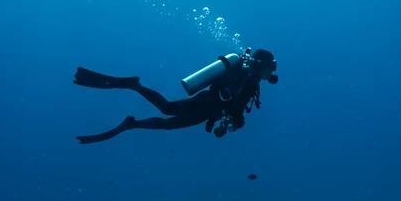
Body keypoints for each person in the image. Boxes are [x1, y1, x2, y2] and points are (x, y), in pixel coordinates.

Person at [73, 48, 278, 144]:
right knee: (168, 120)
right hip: (208, 108)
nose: (272, 72)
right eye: (271, 66)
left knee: (167, 110)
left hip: (207, 104)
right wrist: (230, 125)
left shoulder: (244, 74)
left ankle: (134, 92)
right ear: (263, 65)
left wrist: (225, 122)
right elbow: (237, 109)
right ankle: (132, 117)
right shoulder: (251, 80)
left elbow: (232, 103)